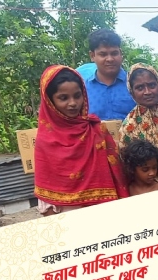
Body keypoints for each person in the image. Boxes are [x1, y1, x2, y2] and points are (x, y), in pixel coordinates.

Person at [34, 65, 129, 216]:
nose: (73, 103)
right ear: (49, 100)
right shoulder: (45, 140)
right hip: (65, 215)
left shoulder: (97, 130)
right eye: (63, 98)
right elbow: (47, 191)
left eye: (77, 96)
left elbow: (115, 173)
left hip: (102, 213)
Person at [75, 29, 135, 120]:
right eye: (103, 54)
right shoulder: (82, 90)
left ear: (121, 54)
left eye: (114, 53)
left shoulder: (135, 85)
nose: (110, 59)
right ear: (92, 56)